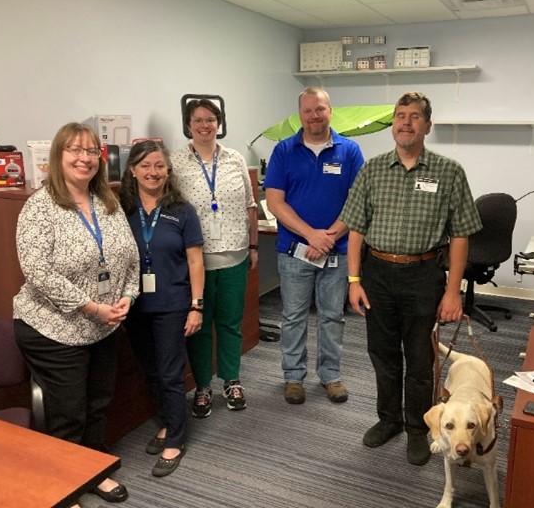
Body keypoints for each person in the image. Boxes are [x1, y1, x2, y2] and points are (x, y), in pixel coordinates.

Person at [339, 91, 482, 466]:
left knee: (420, 359)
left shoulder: (449, 172)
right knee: (382, 354)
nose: (405, 122)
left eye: (414, 116)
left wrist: (453, 291)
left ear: (427, 126)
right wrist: (354, 279)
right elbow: (355, 229)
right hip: (377, 274)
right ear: (394, 125)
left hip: (423, 274)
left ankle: (419, 428)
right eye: (400, 116)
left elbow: (462, 235)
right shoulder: (372, 169)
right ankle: (388, 419)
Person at [13, 122, 139, 504]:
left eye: (91, 152)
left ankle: (93, 469)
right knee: (69, 413)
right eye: (74, 150)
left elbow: (131, 259)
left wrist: (127, 299)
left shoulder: (107, 202)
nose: (84, 159)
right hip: (53, 328)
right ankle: (64, 487)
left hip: (103, 326)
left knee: (98, 403)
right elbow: (37, 272)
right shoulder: (40, 206)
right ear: (58, 156)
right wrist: (92, 306)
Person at [263, 87, 365, 405]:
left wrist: (330, 236)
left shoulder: (350, 151)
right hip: (295, 251)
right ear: (300, 115)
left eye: (319, 109)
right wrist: (311, 235)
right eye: (307, 110)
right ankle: (293, 378)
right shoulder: (283, 151)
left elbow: (357, 201)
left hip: (337, 250)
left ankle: (331, 376)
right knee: (293, 316)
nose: (313, 116)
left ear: (330, 111)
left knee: (332, 316)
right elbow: (275, 201)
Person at [119, 140, 204, 477]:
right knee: (151, 371)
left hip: (172, 304)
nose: (152, 172)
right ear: (132, 170)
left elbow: (196, 260)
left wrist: (196, 306)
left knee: (170, 374)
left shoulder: (182, 210)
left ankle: (176, 440)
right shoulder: (121, 209)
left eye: (158, 165)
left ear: (168, 170)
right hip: (135, 305)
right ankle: (169, 423)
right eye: (145, 166)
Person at [171, 98, 258, 418]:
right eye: (198, 120)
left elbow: (251, 205)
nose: (205, 125)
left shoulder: (235, 159)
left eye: (211, 119)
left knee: (231, 323)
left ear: (219, 123)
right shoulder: (175, 162)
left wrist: (253, 247)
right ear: (188, 124)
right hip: (196, 261)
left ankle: (231, 379)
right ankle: (203, 385)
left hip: (235, 256)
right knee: (200, 326)